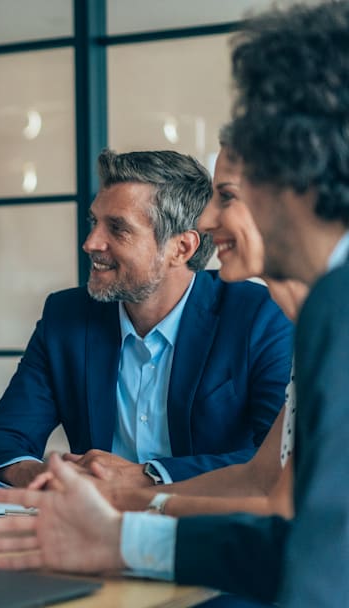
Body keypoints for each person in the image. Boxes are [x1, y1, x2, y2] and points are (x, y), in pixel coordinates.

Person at [0, 3, 349, 605]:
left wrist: (130, 514)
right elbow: (269, 493)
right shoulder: (326, 307)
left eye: (227, 195)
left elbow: (308, 548)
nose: (210, 219)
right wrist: (120, 522)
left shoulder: (317, 309)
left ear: (298, 166)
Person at [0, 149, 293, 492]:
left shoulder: (260, 316)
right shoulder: (66, 317)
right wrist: (39, 475)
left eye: (118, 228)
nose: (90, 243)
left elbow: (280, 461)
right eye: (95, 222)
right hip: (89, 530)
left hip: (206, 531)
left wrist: (146, 475)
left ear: (181, 248)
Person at [95, 135, 306, 519]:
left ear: (290, 204)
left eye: (225, 196)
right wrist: (114, 503)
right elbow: (259, 478)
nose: (206, 221)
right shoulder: (313, 330)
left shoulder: (327, 329)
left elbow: (288, 519)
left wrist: (129, 539)